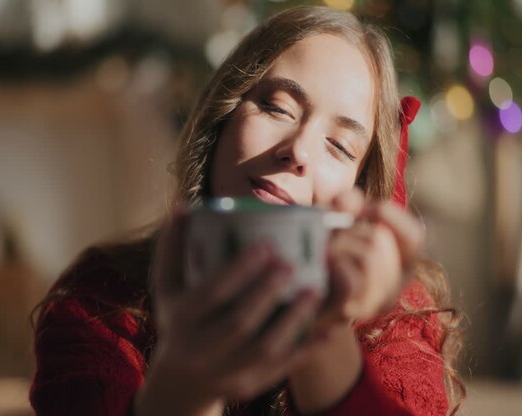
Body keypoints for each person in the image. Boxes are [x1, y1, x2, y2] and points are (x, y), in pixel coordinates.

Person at [30, 6, 463, 416]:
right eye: (277, 108)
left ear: (361, 189)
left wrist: (321, 331)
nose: (298, 151)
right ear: (221, 121)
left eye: (339, 146)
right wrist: (187, 377)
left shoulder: (398, 323)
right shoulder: (99, 297)